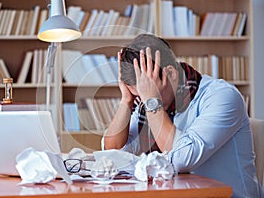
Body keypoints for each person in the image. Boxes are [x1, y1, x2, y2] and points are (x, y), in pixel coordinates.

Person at [102, 34, 263, 198]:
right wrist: (127, 101)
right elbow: (113, 152)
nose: (144, 103)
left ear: (170, 74)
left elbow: (182, 159)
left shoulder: (222, 96)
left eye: (146, 94)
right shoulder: (149, 105)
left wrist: (152, 101)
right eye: (140, 96)